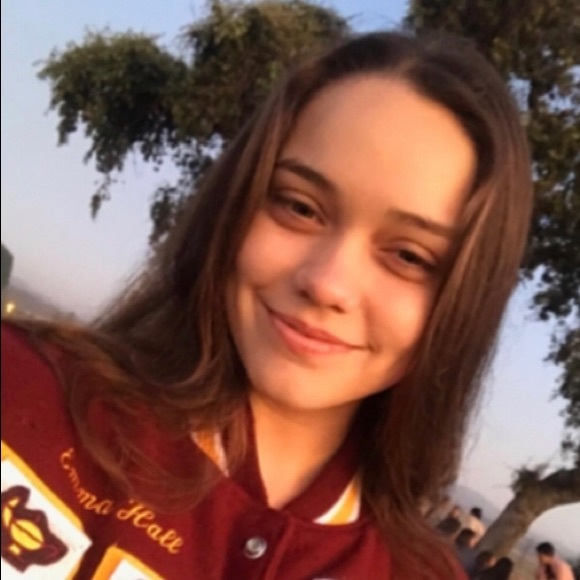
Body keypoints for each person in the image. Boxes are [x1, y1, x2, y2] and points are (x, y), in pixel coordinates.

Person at [1, 29, 533, 580]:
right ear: (237, 200)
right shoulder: (25, 389)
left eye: (409, 256)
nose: (327, 284)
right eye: (300, 207)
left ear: (465, 304)